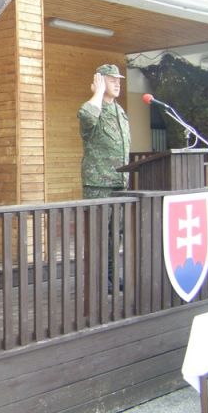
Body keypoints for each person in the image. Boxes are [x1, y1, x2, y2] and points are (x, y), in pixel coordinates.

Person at [78, 64, 131, 293]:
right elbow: (86, 117)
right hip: (99, 184)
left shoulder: (120, 111)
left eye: (119, 80)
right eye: (111, 80)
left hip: (119, 183)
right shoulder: (93, 108)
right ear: (99, 81)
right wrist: (98, 93)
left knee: (115, 235)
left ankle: (111, 275)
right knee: (98, 234)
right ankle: (98, 279)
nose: (118, 83)